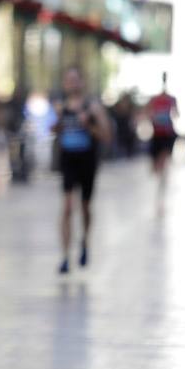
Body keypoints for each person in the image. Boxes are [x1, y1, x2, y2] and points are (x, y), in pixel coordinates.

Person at [55, 67, 110, 274]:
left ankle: (85, 241)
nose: (71, 84)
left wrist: (89, 125)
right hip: (68, 160)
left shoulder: (92, 107)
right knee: (68, 207)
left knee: (85, 207)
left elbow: (106, 136)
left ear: (81, 82)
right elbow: (53, 129)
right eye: (68, 80)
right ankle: (65, 256)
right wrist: (57, 123)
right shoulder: (61, 106)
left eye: (75, 80)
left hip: (87, 161)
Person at [146, 73, 179, 182]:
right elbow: (149, 113)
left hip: (167, 133)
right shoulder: (154, 99)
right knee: (156, 163)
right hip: (157, 133)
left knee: (164, 157)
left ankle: (162, 177)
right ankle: (159, 173)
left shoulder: (171, 99)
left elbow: (176, 114)